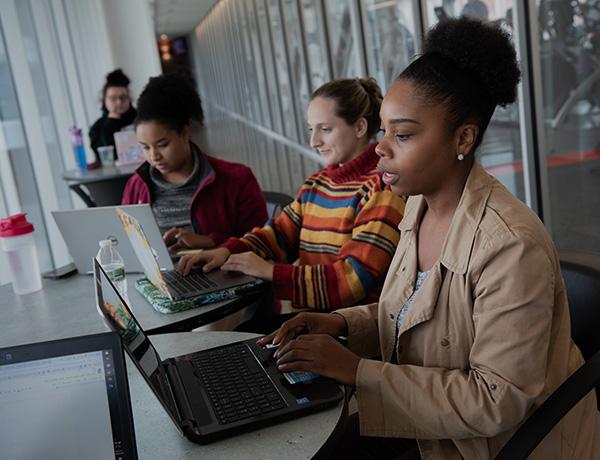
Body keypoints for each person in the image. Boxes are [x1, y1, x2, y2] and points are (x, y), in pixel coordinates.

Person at [261, 18, 599, 459]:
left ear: (463, 137)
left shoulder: (510, 245)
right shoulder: (417, 207)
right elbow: (415, 313)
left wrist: (357, 370)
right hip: (432, 427)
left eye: (402, 135)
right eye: (383, 131)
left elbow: (497, 399)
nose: (381, 148)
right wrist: (343, 325)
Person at [178, 78, 405, 318]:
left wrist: (272, 272)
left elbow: (353, 280)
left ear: (360, 128)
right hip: (310, 322)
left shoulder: (381, 188)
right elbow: (279, 235)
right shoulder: (317, 184)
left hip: (350, 332)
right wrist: (226, 250)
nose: (313, 141)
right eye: (311, 129)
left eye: (325, 129)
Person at [121, 73, 268, 251]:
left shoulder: (236, 179)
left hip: (219, 274)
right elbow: (127, 246)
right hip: (159, 277)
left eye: (162, 144)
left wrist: (210, 241)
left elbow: (262, 245)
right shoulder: (136, 187)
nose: (154, 156)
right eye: (145, 147)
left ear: (184, 133)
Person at [89, 69, 137, 164]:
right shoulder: (97, 127)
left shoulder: (141, 119)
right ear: (104, 100)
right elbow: (103, 156)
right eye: (113, 98)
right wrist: (111, 122)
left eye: (123, 97)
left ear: (129, 98)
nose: (119, 102)